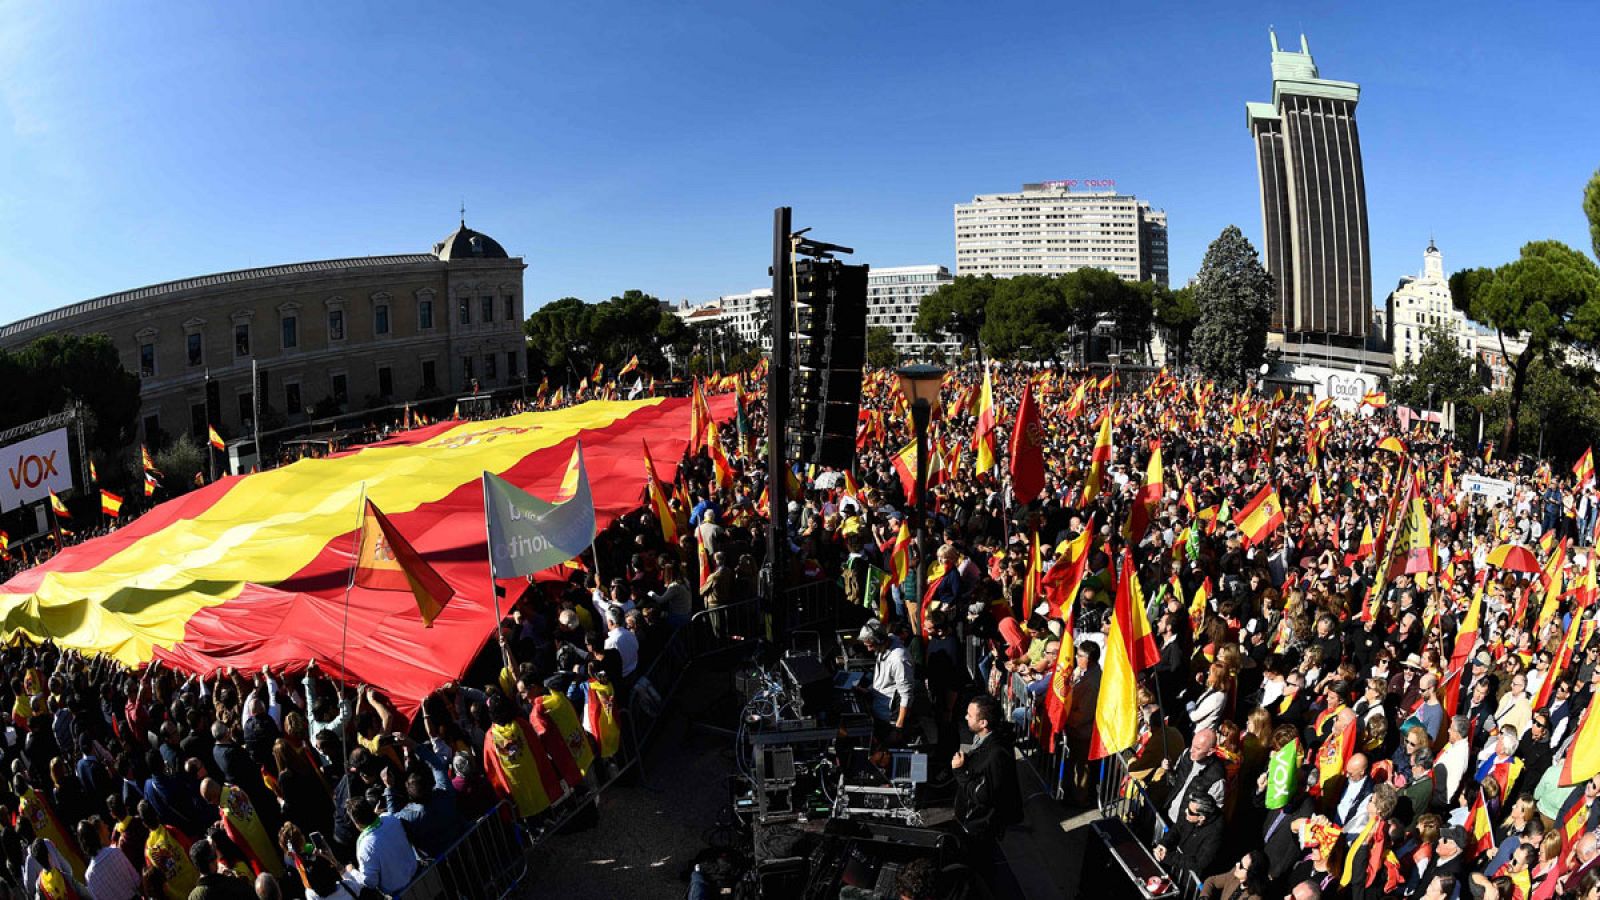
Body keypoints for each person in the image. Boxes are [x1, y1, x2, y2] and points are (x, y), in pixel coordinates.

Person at [951, 694, 1022, 868]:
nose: (965, 717)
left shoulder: (997, 754)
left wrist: (960, 771)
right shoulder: (983, 739)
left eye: (970, 715)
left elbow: (983, 795)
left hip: (980, 826)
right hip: (974, 821)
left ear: (983, 723)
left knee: (978, 864)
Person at [343, 795, 417, 895]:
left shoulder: (365, 846)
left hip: (399, 893)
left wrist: (352, 872)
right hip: (419, 875)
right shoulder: (390, 817)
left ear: (357, 823)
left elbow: (370, 883)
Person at [1155, 793, 1224, 884]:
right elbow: (1177, 828)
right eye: (1187, 807)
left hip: (1190, 879)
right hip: (1178, 862)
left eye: (1190, 812)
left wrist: (1168, 857)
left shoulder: (1215, 834)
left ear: (1201, 817)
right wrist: (1164, 844)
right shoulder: (1191, 813)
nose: (1186, 811)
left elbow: (1199, 862)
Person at [80, 817, 141, 900]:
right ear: (96, 835)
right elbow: (136, 880)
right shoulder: (115, 852)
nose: (107, 826)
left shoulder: (89, 876)